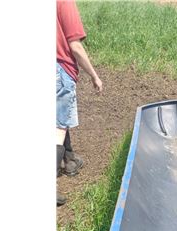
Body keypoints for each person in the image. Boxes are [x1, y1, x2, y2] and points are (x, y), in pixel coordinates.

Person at [57, 0, 103, 206]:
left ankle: (69, 159)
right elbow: (75, 46)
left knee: (58, 119)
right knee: (58, 128)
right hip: (59, 70)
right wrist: (94, 75)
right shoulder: (64, 2)